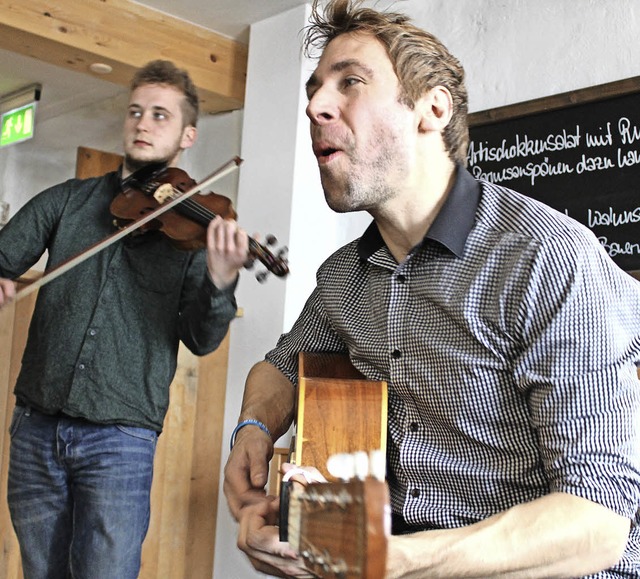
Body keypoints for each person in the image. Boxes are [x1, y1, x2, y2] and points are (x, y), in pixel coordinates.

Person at [223, 1, 640, 577]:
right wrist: (252, 427)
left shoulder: (547, 259)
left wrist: (392, 561)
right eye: (316, 89)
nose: (316, 105)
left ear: (432, 108)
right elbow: (281, 366)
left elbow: (598, 524)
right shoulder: (345, 276)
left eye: (350, 83)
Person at [0, 60, 249, 579]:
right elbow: (4, 258)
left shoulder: (193, 231)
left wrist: (221, 279)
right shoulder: (69, 201)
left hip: (120, 439)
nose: (142, 123)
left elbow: (201, 338)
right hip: (36, 425)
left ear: (187, 135)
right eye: (136, 111)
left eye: (160, 115)